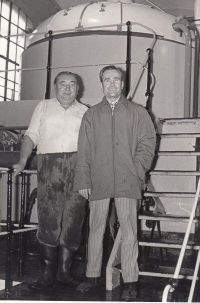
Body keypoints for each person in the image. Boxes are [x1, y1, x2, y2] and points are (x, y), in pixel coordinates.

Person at [74, 65, 156, 300]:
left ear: (123, 84)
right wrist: (83, 178)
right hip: (98, 179)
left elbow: (148, 142)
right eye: (107, 80)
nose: (112, 84)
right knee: (96, 228)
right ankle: (91, 276)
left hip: (127, 178)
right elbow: (84, 150)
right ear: (101, 85)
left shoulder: (137, 112)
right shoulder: (91, 115)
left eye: (116, 80)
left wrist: (138, 170)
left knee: (129, 231)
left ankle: (130, 279)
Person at [13, 71, 88, 290]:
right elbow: (31, 135)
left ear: (78, 89)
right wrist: (22, 161)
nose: (67, 88)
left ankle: (64, 273)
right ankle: (46, 275)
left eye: (72, 84)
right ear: (54, 87)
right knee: (48, 221)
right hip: (49, 170)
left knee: (74, 222)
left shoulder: (85, 112)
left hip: (79, 170)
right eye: (62, 84)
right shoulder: (43, 107)